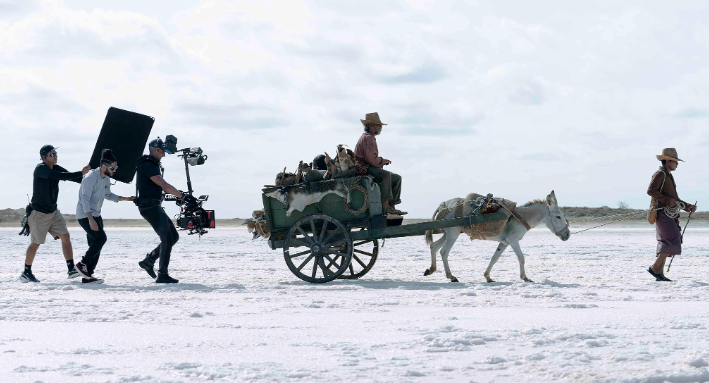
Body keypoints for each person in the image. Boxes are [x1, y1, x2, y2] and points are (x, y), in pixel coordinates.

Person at [20, 145, 90, 283]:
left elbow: (74, 178)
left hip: (53, 212)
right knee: (36, 243)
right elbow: (60, 176)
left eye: (56, 153)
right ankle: (26, 272)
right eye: (52, 154)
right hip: (39, 213)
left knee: (65, 236)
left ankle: (71, 269)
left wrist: (94, 178)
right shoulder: (41, 169)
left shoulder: (56, 167)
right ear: (44, 157)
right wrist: (81, 172)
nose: (56, 156)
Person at [134, 138, 193, 283]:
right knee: (166, 238)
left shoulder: (151, 164)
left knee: (173, 236)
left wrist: (179, 196)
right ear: (155, 150)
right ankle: (162, 274)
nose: (164, 155)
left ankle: (149, 261)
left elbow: (159, 187)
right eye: (163, 152)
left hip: (153, 206)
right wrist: (183, 196)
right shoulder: (148, 165)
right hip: (149, 207)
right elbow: (164, 185)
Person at [74, 149, 135, 284]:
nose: (115, 170)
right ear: (103, 166)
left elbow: (108, 195)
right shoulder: (90, 177)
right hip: (85, 214)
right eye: (113, 167)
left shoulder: (106, 178)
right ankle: (82, 264)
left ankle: (88, 275)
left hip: (96, 214)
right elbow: (84, 199)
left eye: (116, 167)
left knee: (95, 243)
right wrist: (90, 219)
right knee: (101, 239)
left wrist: (126, 199)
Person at [646, 148, 696, 282]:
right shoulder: (660, 174)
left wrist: (687, 206)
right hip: (662, 212)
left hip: (668, 213)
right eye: (675, 162)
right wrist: (666, 200)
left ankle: (660, 274)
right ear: (668, 161)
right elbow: (651, 190)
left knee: (667, 240)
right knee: (673, 238)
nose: (677, 164)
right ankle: (655, 267)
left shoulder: (668, 175)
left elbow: (674, 198)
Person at [354, 112, 407, 215]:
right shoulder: (368, 138)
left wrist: (382, 161)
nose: (380, 128)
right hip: (364, 168)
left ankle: (392, 206)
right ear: (371, 126)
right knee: (386, 175)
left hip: (368, 166)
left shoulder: (368, 137)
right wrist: (382, 161)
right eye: (378, 125)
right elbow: (371, 159)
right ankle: (385, 206)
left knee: (396, 178)